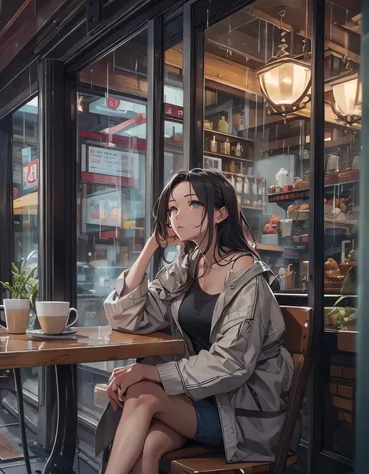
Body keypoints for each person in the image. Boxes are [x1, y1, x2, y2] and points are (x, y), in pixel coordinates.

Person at [96, 169, 294, 474]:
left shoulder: (247, 277)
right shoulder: (190, 265)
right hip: (196, 398)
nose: (177, 216)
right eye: (173, 208)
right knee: (147, 448)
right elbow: (128, 318)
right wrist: (152, 245)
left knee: (142, 393)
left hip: (241, 416)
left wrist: (146, 371)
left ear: (220, 213)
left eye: (192, 205)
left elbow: (231, 364)